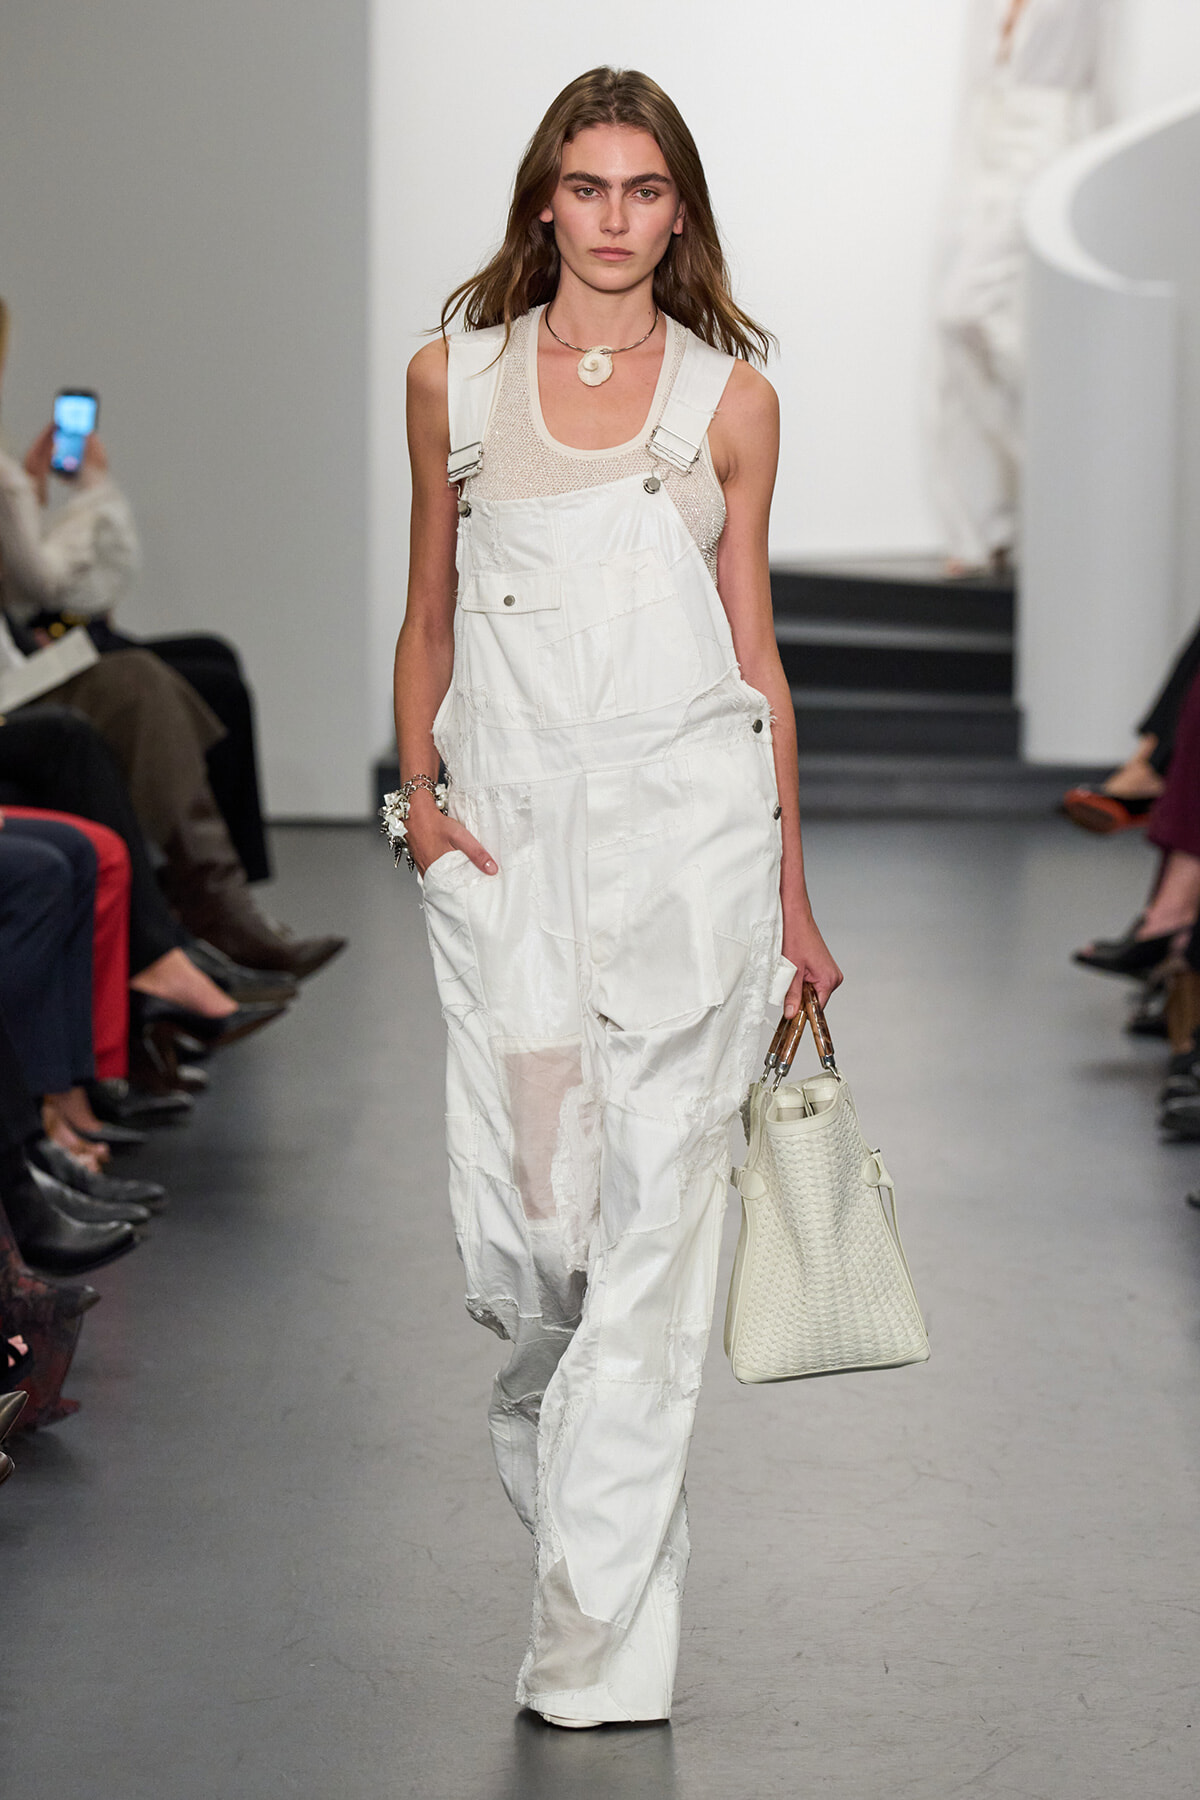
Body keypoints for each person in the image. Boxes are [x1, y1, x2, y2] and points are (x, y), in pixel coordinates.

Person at [393, 67, 841, 1728]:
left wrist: (790, 897)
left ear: (680, 211)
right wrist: (418, 812)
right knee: (550, 1255)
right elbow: (427, 614)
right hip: (512, 864)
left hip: (693, 852)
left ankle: (592, 1651)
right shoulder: (455, 379)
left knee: (655, 1246)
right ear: (542, 203)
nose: (612, 218)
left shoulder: (729, 403)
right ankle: (603, 1520)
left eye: (643, 190)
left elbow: (755, 656)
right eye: (586, 187)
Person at [931, 0, 1119, 575]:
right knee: (985, 338)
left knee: (964, 314)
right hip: (988, 152)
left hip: (1046, 150)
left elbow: (1094, 82)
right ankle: (996, 526)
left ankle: (1066, 489)